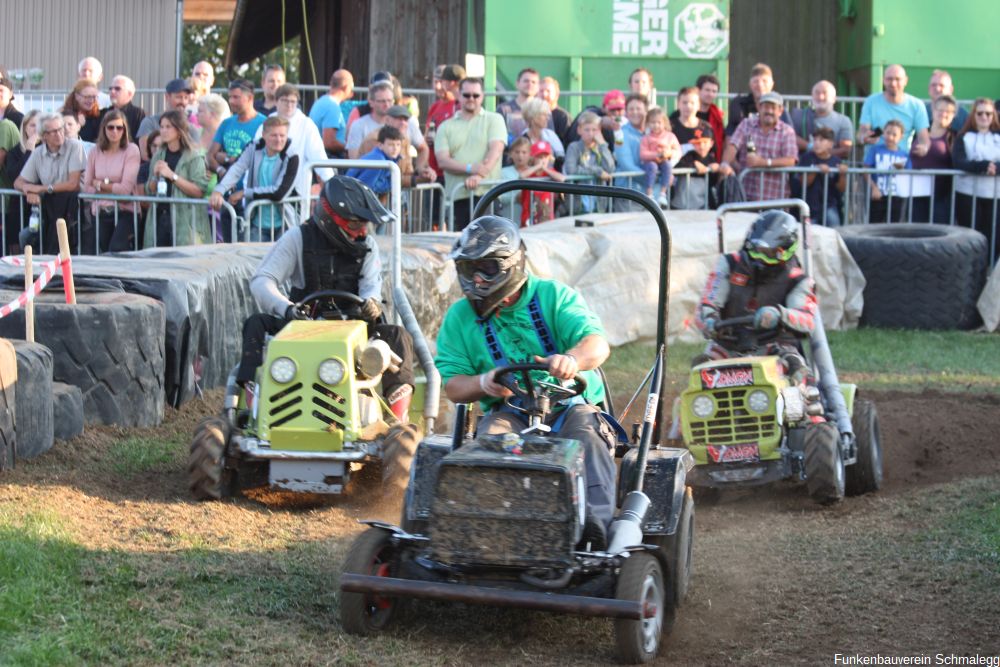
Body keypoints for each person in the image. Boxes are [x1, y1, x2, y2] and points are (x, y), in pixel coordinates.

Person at [435, 215, 618, 543]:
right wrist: (481, 382)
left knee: (588, 438)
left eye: (487, 269)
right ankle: (491, 535)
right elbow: (453, 386)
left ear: (510, 265)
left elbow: (597, 344)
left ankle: (593, 531)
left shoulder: (554, 296)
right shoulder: (459, 318)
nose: (477, 280)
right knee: (491, 439)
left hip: (570, 408)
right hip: (509, 413)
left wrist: (572, 359)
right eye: (468, 269)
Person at [238, 176, 415, 421]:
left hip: (353, 331)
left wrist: (370, 304)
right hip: (301, 326)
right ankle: (256, 408)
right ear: (331, 219)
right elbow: (262, 281)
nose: (362, 231)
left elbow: (371, 286)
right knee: (255, 324)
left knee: (398, 336)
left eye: (365, 224)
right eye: (355, 224)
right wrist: (287, 309)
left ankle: (396, 420)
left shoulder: (368, 246)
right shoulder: (298, 238)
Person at [696, 210, 817, 388]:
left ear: (784, 252)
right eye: (756, 250)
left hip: (776, 346)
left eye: (767, 253)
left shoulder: (797, 280)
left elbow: (807, 320)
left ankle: (805, 411)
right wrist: (708, 319)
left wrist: (780, 315)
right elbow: (708, 301)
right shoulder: (729, 264)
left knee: (795, 369)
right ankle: (698, 411)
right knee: (701, 371)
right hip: (728, 345)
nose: (759, 258)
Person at [211, 115, 300, 242]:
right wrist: (219, 190)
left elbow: (279, 192)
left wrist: (244, 193)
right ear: (263, 135)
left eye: (282, 135)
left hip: (285, 224)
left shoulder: (292, 155)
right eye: (274, 135)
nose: (279, 140)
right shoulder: (254, 146)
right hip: (256, 223)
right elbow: (237, 168)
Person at [435, 77, 507, 231]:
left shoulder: (494, 119)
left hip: (488, 196)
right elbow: (442, 161)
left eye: (476, 95)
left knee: (490, 248)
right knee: (462, 249)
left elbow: (496, 150)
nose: (471, 99)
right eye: (467, 95)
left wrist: (479, 176)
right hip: (458, 198)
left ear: (483, 96)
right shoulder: (445, 126)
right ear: (459, 95)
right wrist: (470, 168)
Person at [13, 112, 86, 254]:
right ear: (43, 135)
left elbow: (73, 184)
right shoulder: (38, 153)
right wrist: (29, 190)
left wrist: (41, 189)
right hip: (49, 209)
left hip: (74, 210)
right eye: (52, 132)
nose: (58, 134)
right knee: (25, 237)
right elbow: (18, 182)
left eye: (60, 129)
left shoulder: (74, 146)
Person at [252, 84, 332, 211]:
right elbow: (254, 155)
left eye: (293, 101)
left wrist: (330, 183)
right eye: (285, 100)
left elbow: (319, 156)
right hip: (266, 189)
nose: (289, 105)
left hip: (296, 192)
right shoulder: (267, 123)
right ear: (276, 102)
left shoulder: (307, 124)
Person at [143, 109, 213, 247]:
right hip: (160, 217)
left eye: (168, 127)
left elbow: (199, 191)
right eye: (161, 126)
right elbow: (149, 190)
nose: (163, 130)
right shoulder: (158, 155)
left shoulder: (194, 156)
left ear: (179, 130)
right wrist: (155, 178)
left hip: (185, 220)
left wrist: (172, 175)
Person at [80, 109, 141, 252]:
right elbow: (87, 187)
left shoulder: (131, 150)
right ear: (104, 129)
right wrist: (111, 186)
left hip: (126, 211)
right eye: (110, 127)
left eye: (119, 128)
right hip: (100, 211)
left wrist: (100, 183)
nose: (115, 131)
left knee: (117, 249)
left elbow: (125, 190)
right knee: (104, 251)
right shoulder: (95, 151)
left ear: (124, 130)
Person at [720, 91, 798, 202]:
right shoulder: (746, 124)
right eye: (766, 107)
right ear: (758, 107)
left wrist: (764, 162)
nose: (769, 111)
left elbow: (791, 160)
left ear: (780, 111)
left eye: (773, 108)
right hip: (745, 195)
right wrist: (725, 163)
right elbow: (733, 145)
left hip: (775, 198)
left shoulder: (787, 131)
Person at [953, 98, 1000, 258]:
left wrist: (996, 168)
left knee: (995, 238)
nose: (984, 117)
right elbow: (959, 161)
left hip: (996, 196)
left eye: (988, 113)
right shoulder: (963, 137)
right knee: (971, 236)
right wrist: (982, 166)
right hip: (968, 195)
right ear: (973, 115)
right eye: (980, 113)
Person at [857, 64, 930, 161]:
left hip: (901, 163)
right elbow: (862, 131)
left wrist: (924, 147)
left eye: (898, 79)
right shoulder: (871, 101)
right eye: (889, 79)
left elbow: (924, 137)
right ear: (883, 80)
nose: (893, 83)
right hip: (873, 163)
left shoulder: (917, 105)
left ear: (906, 81)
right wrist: (864, 137)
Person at [355, 104, 435, 188]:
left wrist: (422, 171)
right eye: (399, 119)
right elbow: (379, 181)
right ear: (387, 120)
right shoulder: (374, 140)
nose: (403, 123)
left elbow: (408, 170)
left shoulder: (405, 139)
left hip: (396, 195)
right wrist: (416, 180)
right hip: (372, 196)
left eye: (406, 120)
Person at [346, 81, 426, 161]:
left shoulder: (407, 122)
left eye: (390, 100)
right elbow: (354, 159)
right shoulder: (359, 125)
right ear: (371, 102)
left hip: (403, 171)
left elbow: (423, 149)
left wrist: (421, 168)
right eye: (382, 101)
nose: (387, 104)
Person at [909, 95, 957, 224]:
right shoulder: (919, 133)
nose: (943, 114)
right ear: (933, 110)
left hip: (941, 195)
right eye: (940, 110)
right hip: (916, 193)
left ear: (953, 115)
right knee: (915, 231)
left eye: (948, 111)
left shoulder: (953, 136)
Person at [208, 79, 264, 180]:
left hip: (249, 188)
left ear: (250, 98)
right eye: (230, 97)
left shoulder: (263, 123)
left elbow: (262, 159)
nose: (231, 101)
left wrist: (227, 158)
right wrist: (221, 169)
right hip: (224, 189)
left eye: (236, 97)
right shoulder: (226, 123)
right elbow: (210, 156)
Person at [565, 111, 616, 213]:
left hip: (598, 204)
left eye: (594, 130)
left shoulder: (601, 148)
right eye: (587, 130)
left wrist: (602, 144)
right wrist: (597, 171)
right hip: (578, 204)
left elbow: (610, 169)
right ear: (579, 130)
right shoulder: (574, 147)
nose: (591, 134)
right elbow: (571, 169)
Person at [796, 127, 848, 227]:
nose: (817, 143)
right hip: (809, 206)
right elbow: (803, 182)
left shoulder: (836, 161)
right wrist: (815, 170)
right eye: (815, 140)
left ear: (831, 144)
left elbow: (841, 188)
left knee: (835, 230)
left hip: (830, 205)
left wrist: (842, 175)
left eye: (821, 140)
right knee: (808, 235)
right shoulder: (807, 157)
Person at [789, 80, 854, 158]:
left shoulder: (844, 121)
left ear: (834, 99)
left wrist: (822, 153)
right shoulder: (798, 116)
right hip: (804, 166)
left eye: (825, 93)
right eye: (817, 93)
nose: (820, 97)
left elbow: (845, 150)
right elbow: (790, 138)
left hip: (832, 168)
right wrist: (811, 147)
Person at [863, 119, 911, 223]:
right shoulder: (875, 150)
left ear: (901, 137)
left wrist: (901, 170)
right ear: (883, 132)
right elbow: (865, 169)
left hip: (897, 196)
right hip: (878, 195)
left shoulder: (905, 155)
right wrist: (874, 187)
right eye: (888, 133)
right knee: (874, 226)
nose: (890, 137)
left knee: (894, 227)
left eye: (894, 135)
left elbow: (909, 174)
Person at [725, 63, 792, 136]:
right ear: (750, 84)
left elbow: (790, 134)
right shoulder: (739, 104)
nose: (760, 85)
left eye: (764, 81)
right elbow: (730, 134)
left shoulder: (779, 106)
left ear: (772, 84)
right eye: (755, 81)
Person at [425, 64, 465, 181]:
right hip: (433, 170)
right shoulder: (434, 107)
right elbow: (426, 135)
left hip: (451, 171)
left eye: (441, 82)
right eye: (435, 81)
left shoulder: (459, 106)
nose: (438, 86)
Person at [137, 78, 194, 159]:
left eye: (186, 98)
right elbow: (145, 155)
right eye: (178, 97)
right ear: (167, 97)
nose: (183, 102)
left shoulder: (190, 126)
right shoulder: (150, 122)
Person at [346, 125, 403, 196]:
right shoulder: (378, 160)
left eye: (398, 145)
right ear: (380, 145)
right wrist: (390, 184)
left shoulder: (387, 159)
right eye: (391, 144)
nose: (395, 148)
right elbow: (366, 186)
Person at [639, 107, 679, 207]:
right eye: (653, 122)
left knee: (667, 166)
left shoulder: (670, 136)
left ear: (664, 123)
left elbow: (678, 151)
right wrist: (656, 155)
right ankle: (649, 193)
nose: (656, 125)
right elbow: (643, 154)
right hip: (650, 162)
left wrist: (668, 153)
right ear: (648, 123)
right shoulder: (646, 138)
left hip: (664, 161)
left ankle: (662, 193)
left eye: (659, 122)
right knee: (652, 167)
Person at [518, 140, 565, 225]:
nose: (542, 160)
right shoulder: (529, 171)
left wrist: (545, 169)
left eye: (545, 157)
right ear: (533, 158)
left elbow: (561, 178)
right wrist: (537, 167)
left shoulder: (549, 172)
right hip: (529, 215)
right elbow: (521, 176)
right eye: (539, 157)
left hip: (545, 215)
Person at [309, 69, 353, 157]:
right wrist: (349, 148)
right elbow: (329, 142)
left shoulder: (321, 101)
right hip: (330, 158)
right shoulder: (332, 106)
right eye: (352, 87)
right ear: (346, 87)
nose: (352, 91)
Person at [613, 93, 647, 199]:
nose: (635, 112)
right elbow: (626, 164)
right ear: (626, 113)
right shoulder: (620, 134)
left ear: (646, 111)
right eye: (631, 109)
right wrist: (651, 177)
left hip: (650, 194)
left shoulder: (653, 132)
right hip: (628, 195)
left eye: (638, 108)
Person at [519, 97, 565, 166]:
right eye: (544, 115)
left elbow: (561, 159)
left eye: (547, 115)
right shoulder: (522, 140)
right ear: (533, 116)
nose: (547, 118)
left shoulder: (551, 135)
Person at [101, 75, 146, 144]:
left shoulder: (138, 113)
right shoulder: (103, 112)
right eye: (110, 88)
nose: (112, 91)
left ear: (130, 94)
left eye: (117, 89)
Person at [497, 68, 540, 139]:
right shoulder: (503, 109)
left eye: (533, 82)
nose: (530, 84)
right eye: (526, 81)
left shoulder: (543, 110)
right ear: (517, 84)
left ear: (538, 87)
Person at [696, 74, 725, 162]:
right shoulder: (685, 113)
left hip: (712, 163)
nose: (710, 94)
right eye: (707, 90)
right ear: (698, 90)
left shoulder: (717, 117)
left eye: (714, 91)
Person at [539, 76, 571, 147]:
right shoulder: (533, 115)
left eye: (548, 91)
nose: (544, 94)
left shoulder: (563, 116)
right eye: (541, 91)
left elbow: (566, 141)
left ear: (556, 94)